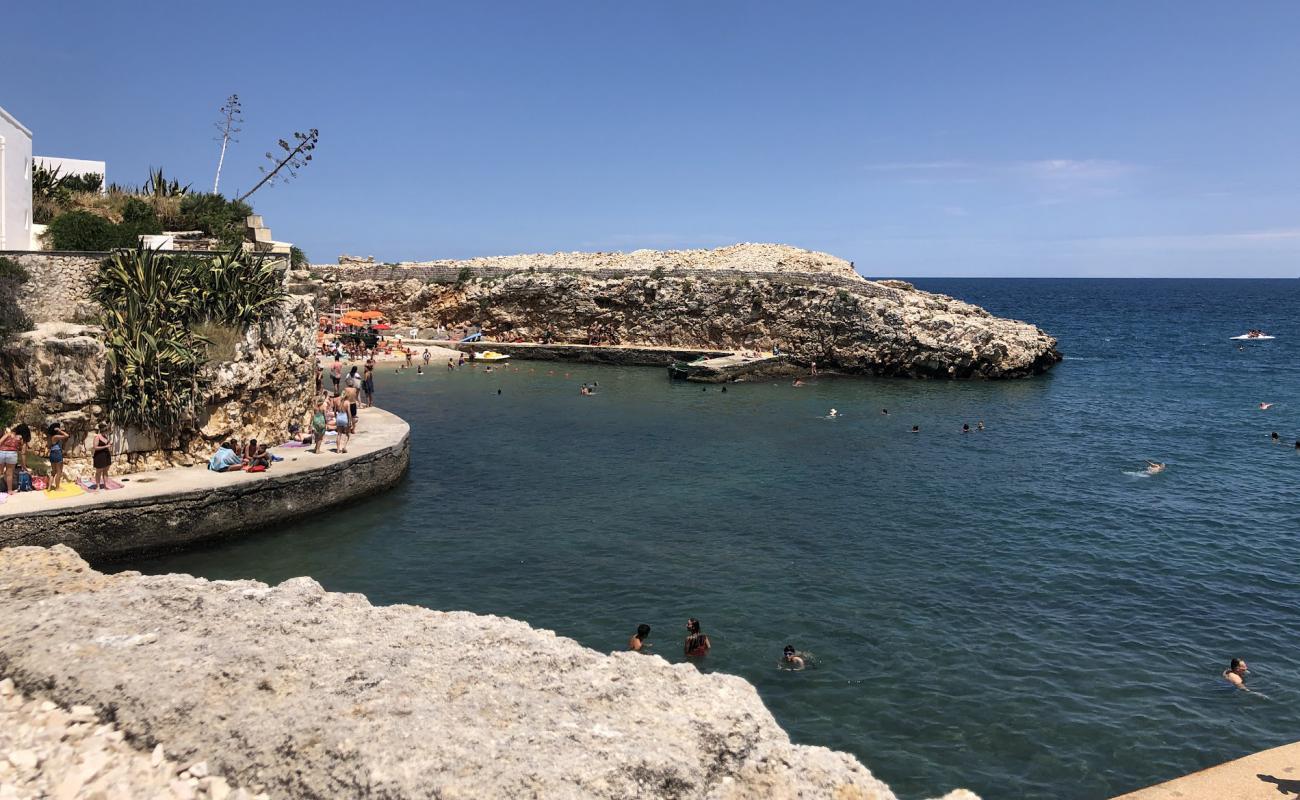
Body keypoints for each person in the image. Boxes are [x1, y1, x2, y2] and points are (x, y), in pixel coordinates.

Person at [0, 423, 30, 494]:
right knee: (9, 474)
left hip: (1, 453)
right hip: (12, 454)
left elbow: (0, 442)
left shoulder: (8, 434)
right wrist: (24, 466)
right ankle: (9, 491)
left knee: (0, 472)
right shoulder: (21, 439)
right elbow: (23, 454)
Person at [45, 423, 70, 491]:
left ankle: (49, 487)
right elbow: (67, 435)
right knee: (59, 472)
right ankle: (57, 488)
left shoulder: (50, 437)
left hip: (52, 453)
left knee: (53, 472)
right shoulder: (55, 436)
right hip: (57, 453)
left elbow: (49, 446)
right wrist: (59, 430)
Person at [91, 422, 112, 489]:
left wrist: (109, 444)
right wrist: (106, 446)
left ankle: (106, 485)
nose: (107, 430)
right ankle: (97, 485)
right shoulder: (97, 437)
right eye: (106, 429)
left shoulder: (105, 436)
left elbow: (106, 445)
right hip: (99, 455)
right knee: (99, 471)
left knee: (105, 470)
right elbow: (95, 447)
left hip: (106, 455)